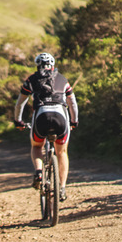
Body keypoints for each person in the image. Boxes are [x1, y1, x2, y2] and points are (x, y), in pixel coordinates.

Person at [13, 52, 79, 202]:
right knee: (61, 152)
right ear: (53, 65)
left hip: (41, 117)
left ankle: (38, 172)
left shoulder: (31, 79)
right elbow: (72, 103)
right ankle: (61, 188)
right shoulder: (63, 79)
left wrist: (18, 121)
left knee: (37, 146)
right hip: (61, 118)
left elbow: (20, 103)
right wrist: (74, 122)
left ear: (38, 66)